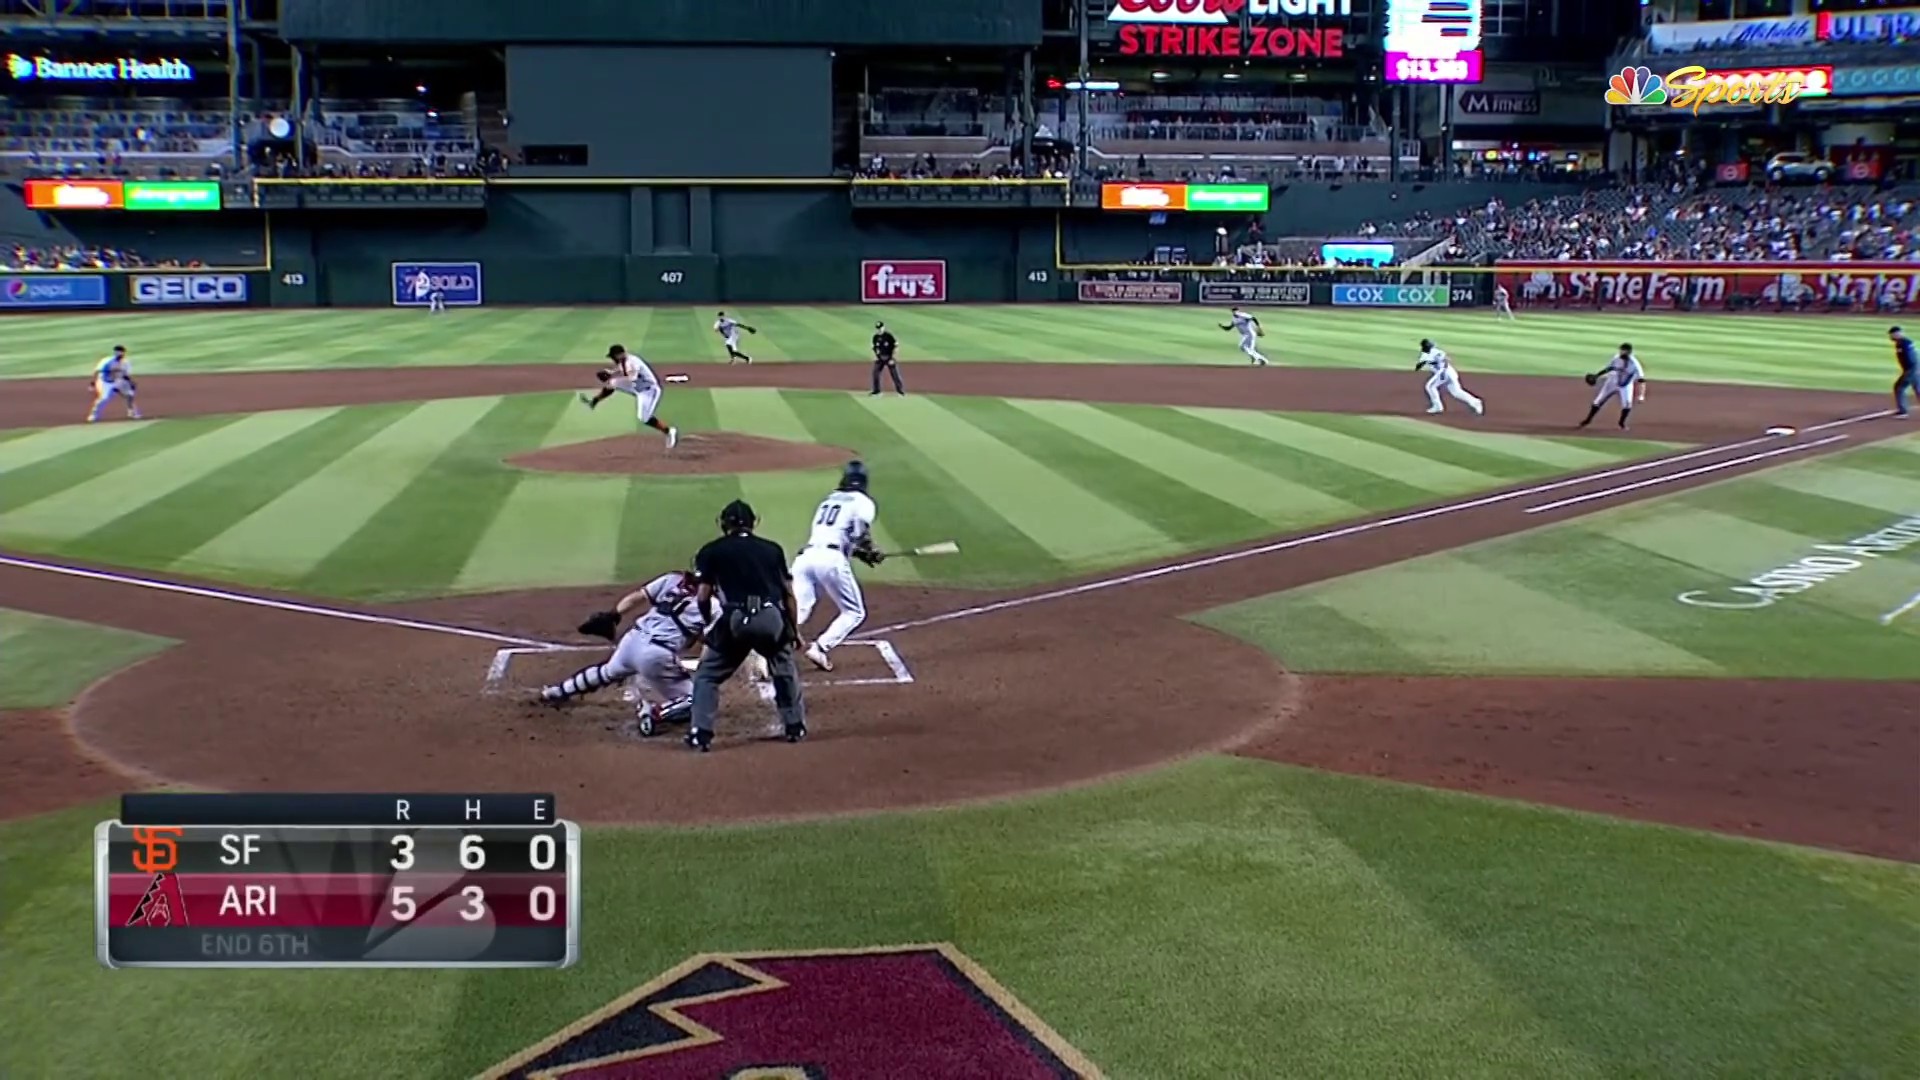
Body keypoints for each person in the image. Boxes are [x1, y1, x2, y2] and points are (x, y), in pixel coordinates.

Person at [687, 500, 808, 751]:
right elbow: (789, 595)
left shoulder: (712, 550)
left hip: (735, 621)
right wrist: (793, 631)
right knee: (783, 668)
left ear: (723, 524)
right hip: (770, 619)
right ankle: (794, 725)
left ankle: (701, 733)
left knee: (707, 675)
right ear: (755, 522)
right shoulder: (772, 550)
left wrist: (710, 625)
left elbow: (702, 596)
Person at [535, 568, 701, 738]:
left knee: (607, 672)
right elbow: (709, 638)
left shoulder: (672, 579)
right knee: (700, 700)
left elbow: (636, 597)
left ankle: (557, 691)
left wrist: (613, 615)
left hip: (632, 639)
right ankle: (653, 713)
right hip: (656, 654)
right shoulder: (714, 604)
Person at [792, 460, 884, 672]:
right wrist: (870, 550)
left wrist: (862, 553)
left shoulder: (829, 500)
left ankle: (767, 651)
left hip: (806, 557)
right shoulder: (863, 501)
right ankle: (821, 647)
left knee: (799, 609)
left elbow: (838, 535)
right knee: (854, 612)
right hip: (830, 560)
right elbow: (859, 532)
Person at [580, 344, 678, 449]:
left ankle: (669, 431)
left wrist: (612, 376)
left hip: (649, 390)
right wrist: (610, 372)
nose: (612, 359)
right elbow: (621, 370)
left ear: (619, 355)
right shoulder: (623, 361)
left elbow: (632, 378)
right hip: (637, 387)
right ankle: (595, 400)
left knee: (644, 418)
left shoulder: (632, 362)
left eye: (613, 356)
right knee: (612, 383)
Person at [1580, 343, 1646, 430]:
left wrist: (1641, 395)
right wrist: (1597, 375)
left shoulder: (1635, 364)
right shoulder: (1616, 358)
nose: (1622, 353)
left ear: (1629, 352)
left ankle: (1621, 423)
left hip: (1626, 385)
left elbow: (1641, 380)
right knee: (1598, 401)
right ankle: (1588, 420)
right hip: (1612, 382)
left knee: (1627, 405)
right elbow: (1609, 368)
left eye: (1624, 351)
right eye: (1621, 350)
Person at [1414, 338, 1484, 416]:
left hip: (1443, 373)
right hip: (1450, 372)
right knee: (1456, 392)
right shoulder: (1436, 352)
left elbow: (1420, 366)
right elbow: (1446, 359)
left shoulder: (1428, 354)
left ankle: (1438, 406)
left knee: (1430, 386)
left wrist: (1423, 363)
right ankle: (1475, 402)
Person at [87, 345, 140, 423]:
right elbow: (97, 371)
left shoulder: (125, 363)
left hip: (117, 381)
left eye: (121, 352)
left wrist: (131, 382)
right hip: (104, 382)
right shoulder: (107, 361)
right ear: (115, 352)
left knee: (129, 395)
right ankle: (93, 414)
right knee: (103, 398)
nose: (119, 354)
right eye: (118, 352)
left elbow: (125, 375)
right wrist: (92, 383)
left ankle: (131, 412)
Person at [871, 321, 905, 395]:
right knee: (875, 373)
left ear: (883, 327)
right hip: (880, 358)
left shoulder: (888, 336)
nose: (879, 330)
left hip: (889, 357)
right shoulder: (875, 337)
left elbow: (896, 346)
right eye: (878, 328)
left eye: (880, 328)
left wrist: (893, 358)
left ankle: (900, 390)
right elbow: (875, 348)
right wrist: (876, 356)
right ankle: (876, 390)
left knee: (894, 374)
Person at [1891, 325, 1917, 418]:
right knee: (1918, 389)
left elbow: (1910, 358)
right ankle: (1903, 411)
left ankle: (1903, 412)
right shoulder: (1906, 342)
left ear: (1897, 334)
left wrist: (1909, 370)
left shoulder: (1903, 343)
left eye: (1892, 334)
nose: (1891, 337)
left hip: (1911, 369)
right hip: (1915, 368)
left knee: (1899, 388)